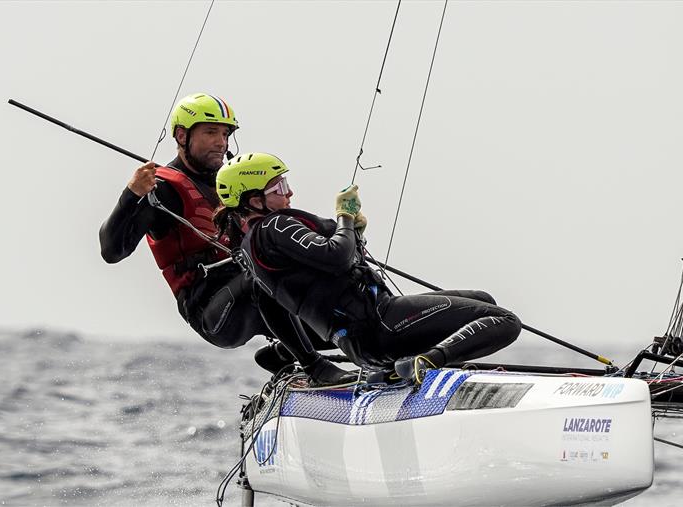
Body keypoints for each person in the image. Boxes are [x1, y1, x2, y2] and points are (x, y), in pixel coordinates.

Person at [99, 94, 348, 384]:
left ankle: (285, 354)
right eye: (210, 132)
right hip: (212, 312)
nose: (221, 142)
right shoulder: (164, 190)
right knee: (262, 276)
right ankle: (316, 369)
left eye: (225, 133)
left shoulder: (232, 183)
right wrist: (132, 194)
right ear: (182, 135)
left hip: (259, 298)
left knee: (341, 314)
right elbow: (111, 251)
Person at [215, 152, 522, 383]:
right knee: (506, 321)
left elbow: (287, 293)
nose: (289, 193)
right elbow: (336, 255)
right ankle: (425, 363)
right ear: (254, 201)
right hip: (380, 324)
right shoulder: (275, 226)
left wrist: (354, 232)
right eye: (279, 188)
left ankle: (407, 366)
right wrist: (345, 217)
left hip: (361, 344)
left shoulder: (255, 249)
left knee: (484, 300)